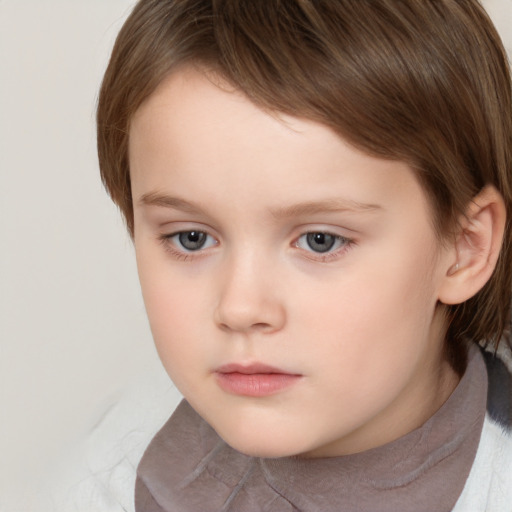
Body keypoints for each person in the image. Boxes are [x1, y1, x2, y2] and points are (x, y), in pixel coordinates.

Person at [93, 0, 512, 510]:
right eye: (192, 238)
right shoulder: (111, 465)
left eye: (321, 241)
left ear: (465, 249)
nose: (241, 308)